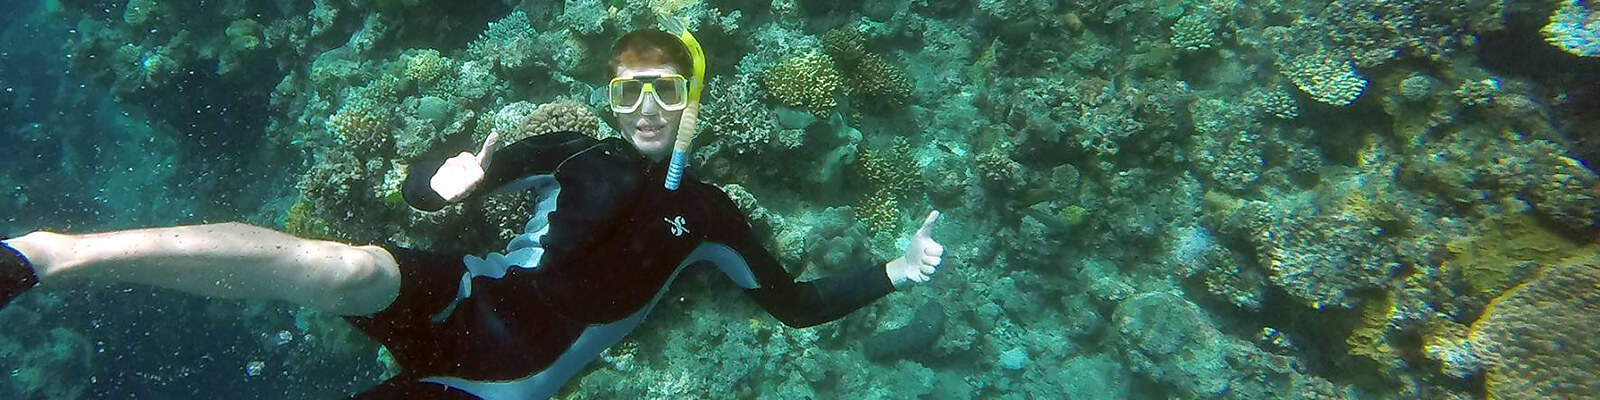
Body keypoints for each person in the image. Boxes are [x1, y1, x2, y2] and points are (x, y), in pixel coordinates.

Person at [0, 28, 945, 399]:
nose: (645, 110)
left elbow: (792, 303)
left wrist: (895, 271)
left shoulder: (711, 217)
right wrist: (438, 179)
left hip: (498, 377)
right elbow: (432, 188)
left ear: (694, 99)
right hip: (463, 291)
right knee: (341, 267)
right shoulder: (569, 150)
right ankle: (45, 254)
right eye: (628, 94)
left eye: (664, 91)